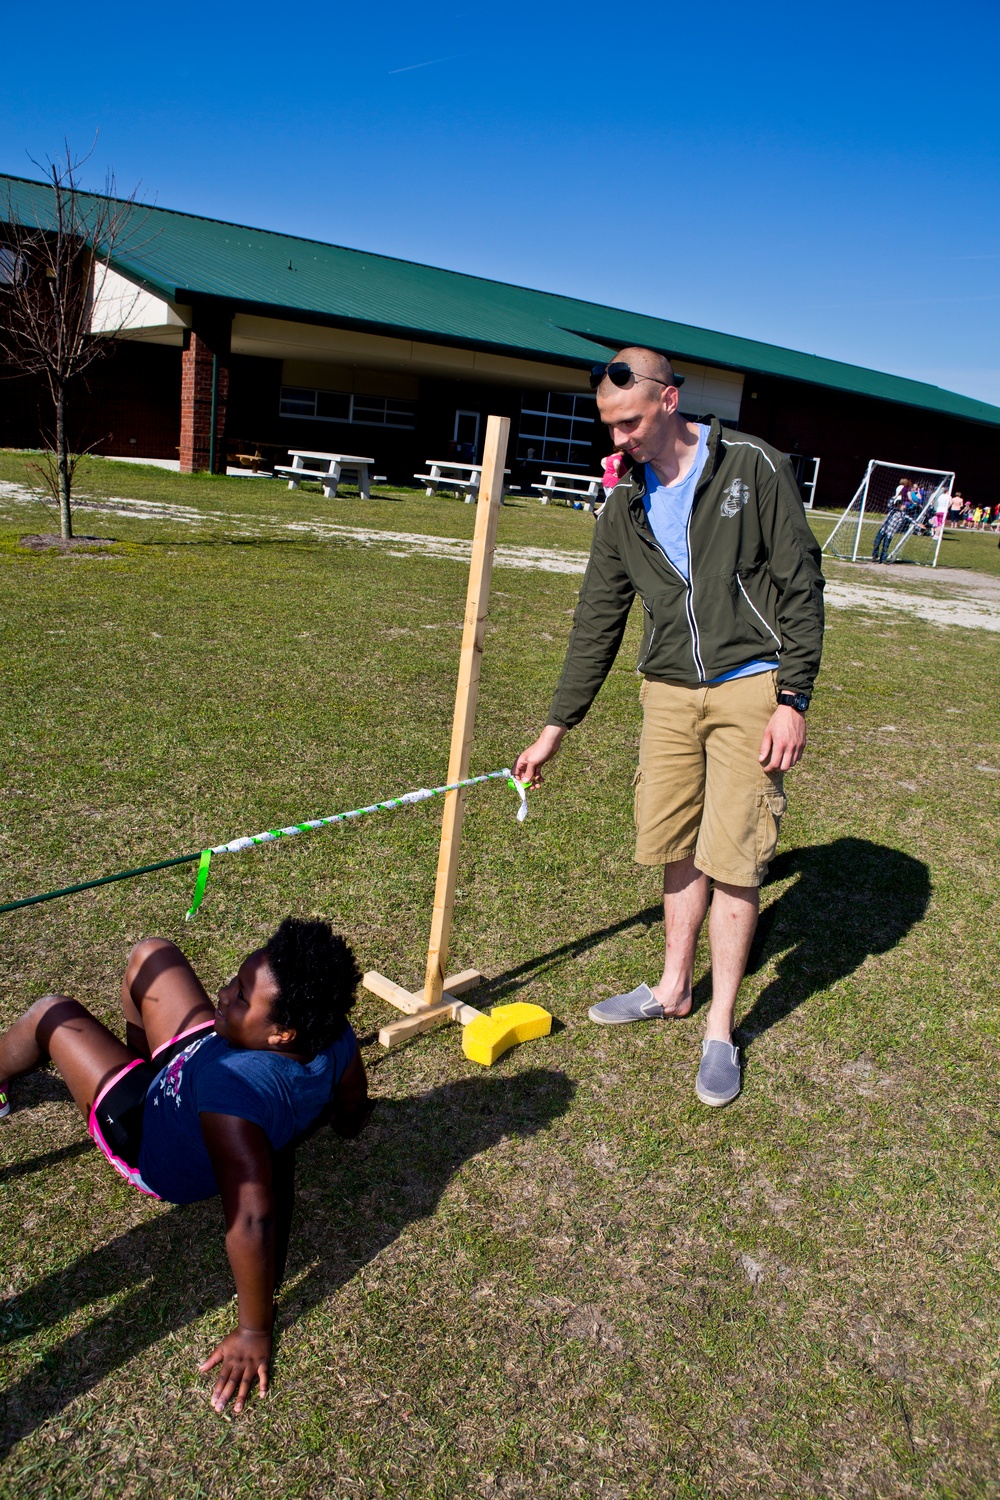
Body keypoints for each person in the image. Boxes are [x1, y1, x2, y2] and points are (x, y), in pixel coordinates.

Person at [513, 347, 824, 1108]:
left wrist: (794, 697)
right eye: (609, 427)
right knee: (676, 840)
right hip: (669, 692)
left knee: (738, 854)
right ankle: (673, 986)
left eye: (630, 424)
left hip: (752, 684)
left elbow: (800, 579)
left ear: (669, 400)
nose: (618, 441)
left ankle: (720, 1026)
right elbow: (598, 617)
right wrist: (558, 725)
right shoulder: (622, 502)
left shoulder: (752, 467)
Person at [0, 917, 369, 1413]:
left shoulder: (231, 1095)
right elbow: (350, 1091)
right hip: (194, 1061)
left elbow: (252, 1219)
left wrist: (254, 1329)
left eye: (240, 996)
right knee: (150, 954)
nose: (223, 992)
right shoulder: (331, 1032)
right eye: (237, 983)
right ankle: (137, 1061)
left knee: (52, 1015)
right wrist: (348, 1125)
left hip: (148, 1134)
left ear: (282, 1033)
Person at [872, 497, 908, 562]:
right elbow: (890, 503)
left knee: (885, 546)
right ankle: (875, 555)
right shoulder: (892, 510)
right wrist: (896, 496)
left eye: (901, 504)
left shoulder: (903, 514)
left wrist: (917, 524)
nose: (900, 506)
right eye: (899, 504)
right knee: (876, 543)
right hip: (883, 529)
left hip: (890, 533)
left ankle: (883, 559)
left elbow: (910, 519)